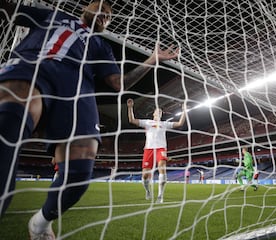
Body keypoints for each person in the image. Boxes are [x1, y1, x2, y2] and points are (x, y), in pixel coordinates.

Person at [0, 0, 178, 239]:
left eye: (109, 15)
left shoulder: (100, 45)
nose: (105, 15)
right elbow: (11, 10)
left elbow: (119, 84)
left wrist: (152, 59)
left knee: (80, 168)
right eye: (101, 9)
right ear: (86, 8)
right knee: (13, 114)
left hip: (77, 92)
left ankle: (41, 222)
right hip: (34, 67)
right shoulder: (55, 16)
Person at [127, 99, 186, 203]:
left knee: (162, 169)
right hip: (148, 149)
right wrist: (130, 107)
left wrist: (184, 111)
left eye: (161, 112)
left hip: (161, 148)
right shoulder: (147, 122)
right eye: (157, 111)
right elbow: (132, 120)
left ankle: (160, 195)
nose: (159, 112)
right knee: (145, 175)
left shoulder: (165, 124)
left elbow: (180, 123)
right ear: (153, 113)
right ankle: (148, 191)